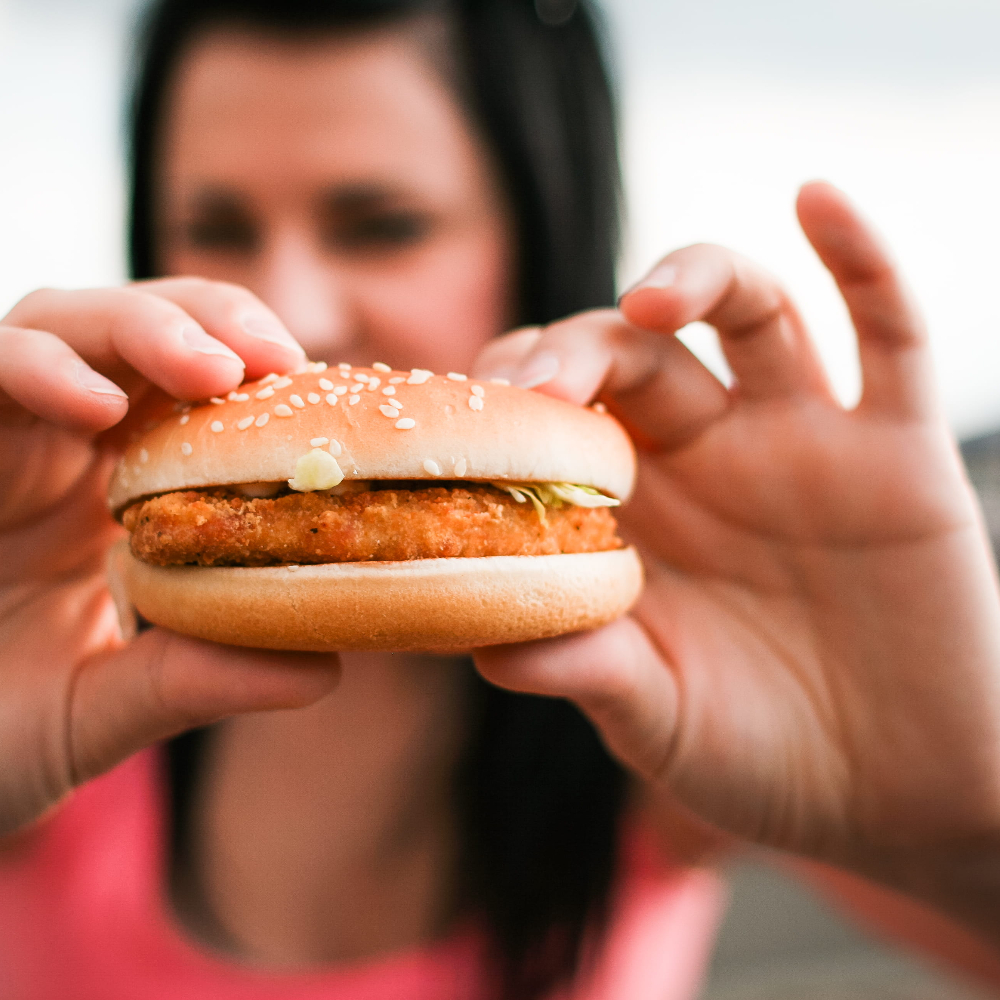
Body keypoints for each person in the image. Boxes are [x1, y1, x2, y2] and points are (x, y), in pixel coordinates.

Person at [2, 0, 1000, 997]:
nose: (293, 311)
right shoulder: (50, 671)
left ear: (541, 236)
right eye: (214, 225)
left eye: (384, 226)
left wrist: (958, 824)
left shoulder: (667, 700)